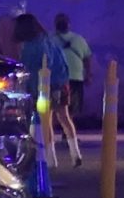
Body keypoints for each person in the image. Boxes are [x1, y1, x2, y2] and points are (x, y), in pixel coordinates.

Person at [11, 15, 79, 166]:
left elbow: (31, 70)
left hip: (43, 87)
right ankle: (75, 154)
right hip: (61, 84)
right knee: (64, 117)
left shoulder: (31, 46)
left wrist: (29, 90)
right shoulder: (49, 40)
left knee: (45, 121)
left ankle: (50, 158)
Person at [51, 11, 93, 162]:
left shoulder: (50, 39)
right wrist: (88, 74)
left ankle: (53, 135)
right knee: (71, 108)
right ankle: (66, 134)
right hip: (75, 77)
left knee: (56, 108)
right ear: (68, 25)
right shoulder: (78, 39)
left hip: (58, 78)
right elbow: (87, 58)